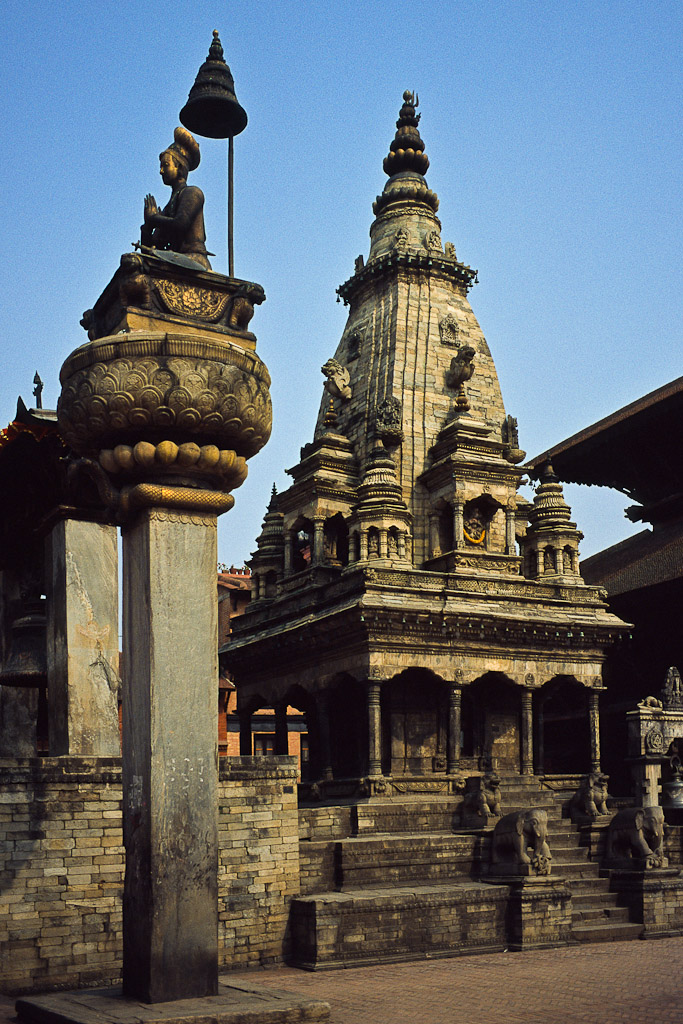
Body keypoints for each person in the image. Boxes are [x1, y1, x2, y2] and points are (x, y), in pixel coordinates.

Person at [141, 126, 212, 270]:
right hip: (176, 258)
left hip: (194, 259)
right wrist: (147, 228)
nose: (161, 171)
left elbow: (181, 223)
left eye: (165, 165)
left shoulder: (193, 193)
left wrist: (154, 218)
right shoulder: (169, 207)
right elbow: (152, 246)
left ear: (180, 168)